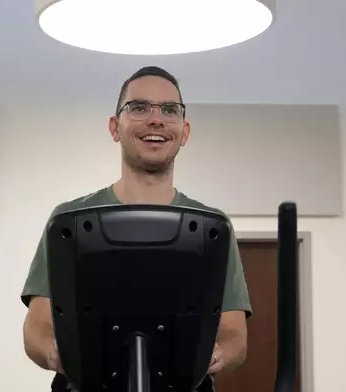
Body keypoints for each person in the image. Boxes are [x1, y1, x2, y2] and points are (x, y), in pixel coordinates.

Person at [21, 66, 253, 391]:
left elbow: (234, 333)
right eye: (139, 107)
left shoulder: (210, 229)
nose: (156, 119)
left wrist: (214, 354)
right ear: (115, 127)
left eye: (169, 110)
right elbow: (39, 324)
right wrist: (55, 351)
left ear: (184, 132)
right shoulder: (70, 220)